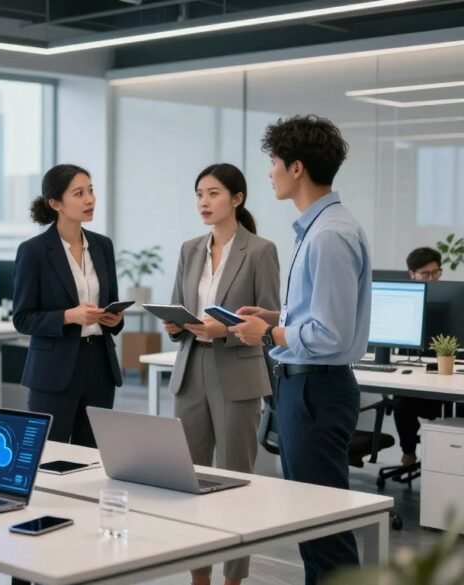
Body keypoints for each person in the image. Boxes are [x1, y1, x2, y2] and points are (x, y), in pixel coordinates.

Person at [230, 115, 371, 585]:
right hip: (305, 388)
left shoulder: (329, 235)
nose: (268, 173)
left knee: (323, 527)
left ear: (297, 168)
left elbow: (330, 333)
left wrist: (266, 335)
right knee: (314, 523)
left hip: (316, 390)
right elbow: (318, 319)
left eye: (273, 163)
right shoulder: (320, 228)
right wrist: (277, 319)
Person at [163, 163, 280, 585]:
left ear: (237, 199)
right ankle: (199, 575)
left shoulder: (260, 250)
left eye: (213, 194)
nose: (204, 203)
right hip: (192, 369)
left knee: (235, 481)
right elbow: (180, 303)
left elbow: (269, 320)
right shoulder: (189, 248)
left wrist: (225, 331)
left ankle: (234, 577)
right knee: (190, 481)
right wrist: (176, 324)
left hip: (236, 373)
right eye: (199, 194)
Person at [13, 163, 125, 447]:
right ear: (55, 203)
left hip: (99, 365)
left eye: (90, 190)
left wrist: (114, 319)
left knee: (93, 455)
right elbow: (23, 318)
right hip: (54, 368)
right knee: (48, 453)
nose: (89, 199)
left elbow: (111, 302)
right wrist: (68, 316)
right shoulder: (34, 251)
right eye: (78, 193)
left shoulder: (103, 246)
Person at [393, 247, 445, 466]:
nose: (432, 279)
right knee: (402, 400)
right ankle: (409, 452)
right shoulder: (402, 302)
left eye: (436, 273)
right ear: (412, 274)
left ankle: (448, 459)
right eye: (426, 274)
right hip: (411, 369)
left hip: (443, 368)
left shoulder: (449, 298)